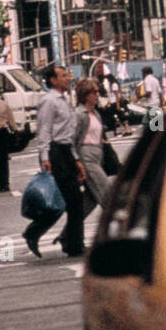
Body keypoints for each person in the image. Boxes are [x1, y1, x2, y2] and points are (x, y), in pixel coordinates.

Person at [26, 64, 85, 258]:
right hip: (55, 152)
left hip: (66, 151)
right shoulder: (49, 101)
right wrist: (45, 157)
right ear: (53, 80)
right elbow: (44, 130)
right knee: (66, 199)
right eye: (62, 76)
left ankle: (45, 234)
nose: (67, 78)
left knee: (72, 200)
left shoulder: (64, 100)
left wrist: (75, 159)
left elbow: (69, 133)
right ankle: (72, 243)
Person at [74, 78, 112, 214]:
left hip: (97, 156)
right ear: (85, 94)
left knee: (90, 200)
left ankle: (67, 234)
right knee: (108, 195)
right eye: (94, 92)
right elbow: (72, 140)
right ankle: (119, 227)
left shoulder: (96, 114)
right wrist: (77, 161)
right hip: (87, 158)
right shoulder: (79, 115)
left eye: (98, 92)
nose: (97, 95)